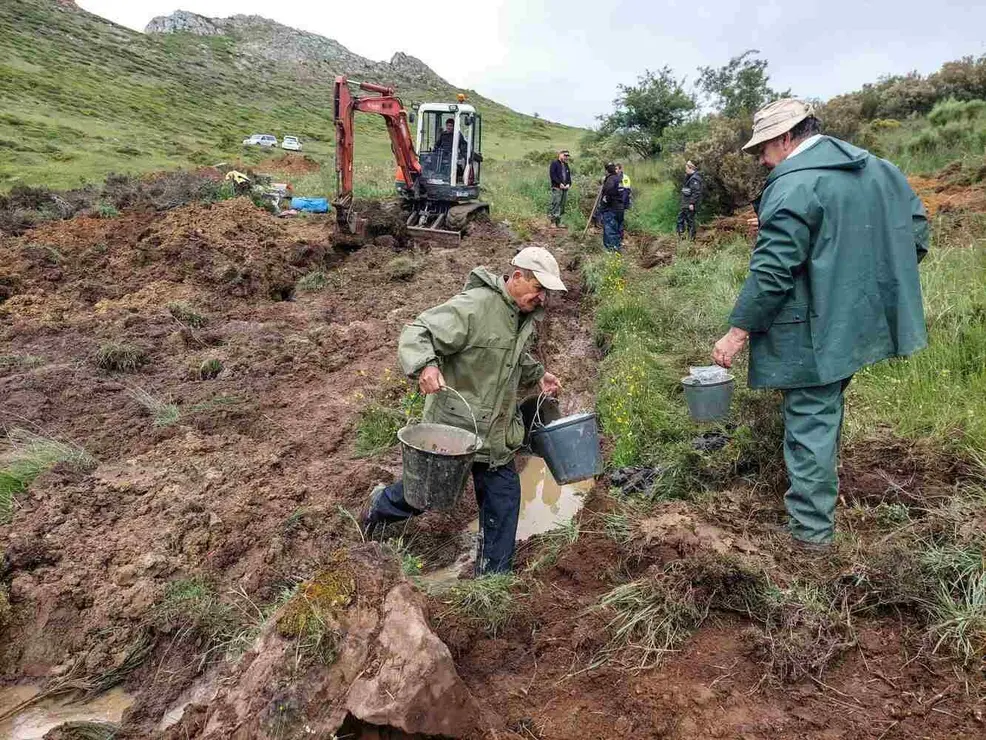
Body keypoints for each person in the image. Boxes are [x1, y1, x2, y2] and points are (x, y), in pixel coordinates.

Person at [711, 98, 928, 550]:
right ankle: (816, 500)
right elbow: (916, 232)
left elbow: (773, 270)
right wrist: (864, 284)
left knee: (809, 417)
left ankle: (811, 536)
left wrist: (738, 331)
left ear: (787, 138)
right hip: (860, 322)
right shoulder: (879, 170)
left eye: (762, 150)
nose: (760, 160)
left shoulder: (794, 186)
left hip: (815, 329)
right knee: (825, 409)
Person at [362, 247, 567, 574]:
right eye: (539, 289)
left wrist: (537, 374)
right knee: (425, 496)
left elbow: (506, 356)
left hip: (497, 435)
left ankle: (492, 581)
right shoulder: (475, 307)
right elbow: (418, 332)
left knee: (504, 504)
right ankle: (379, 506)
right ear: (516, 277)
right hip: (454, 432)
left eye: (546, 292)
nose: (542, 298)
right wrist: (426, 365)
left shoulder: (521, 316)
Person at [599, 162, 624, 252]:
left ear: (606, 171)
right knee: (617, 229)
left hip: (611, 209)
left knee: (610, 229)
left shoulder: (610, 180)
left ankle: (612, 250)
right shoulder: (619, 179)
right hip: (620, 208)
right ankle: (617, 247)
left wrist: (605, 202)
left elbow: (608, 193)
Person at [676, 161, 703, 239]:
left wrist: (692, 203)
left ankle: (691, 239)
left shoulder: (695, 178)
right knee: (680, 219)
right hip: (685, 203)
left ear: (690, 168)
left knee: (690, 221)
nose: (685, 170)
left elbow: (696, 192)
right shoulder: (689, 177)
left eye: (686, 168)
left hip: (689, 204)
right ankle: (682, 236)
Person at [548, 150, 572, 227]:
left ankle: (559, 222)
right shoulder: (554, 163)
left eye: (567, 156)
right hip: (557, 187)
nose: (566, 157)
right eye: (565, 155)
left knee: (562, 205)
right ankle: (553, 222)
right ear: (560, 155)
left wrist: (569, 184)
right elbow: (553, 175)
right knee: (556, 203)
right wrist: (559, 183)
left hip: (565, 188)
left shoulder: (566, 165)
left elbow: (568, 177)